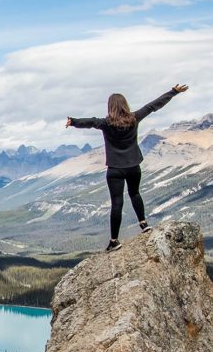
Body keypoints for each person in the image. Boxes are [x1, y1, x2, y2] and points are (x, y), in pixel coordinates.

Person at [66, 84, 189, 251]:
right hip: (133, 166)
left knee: (117, 203)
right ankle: (143, 223)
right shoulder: (134, 118)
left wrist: (73, 122)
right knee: (135, 193)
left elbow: (90, 122)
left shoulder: (106, 123)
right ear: (125, 105)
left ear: (110, 107)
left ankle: (114, 241)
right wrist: (173, 92)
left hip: (115, 169)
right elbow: (152, 106)